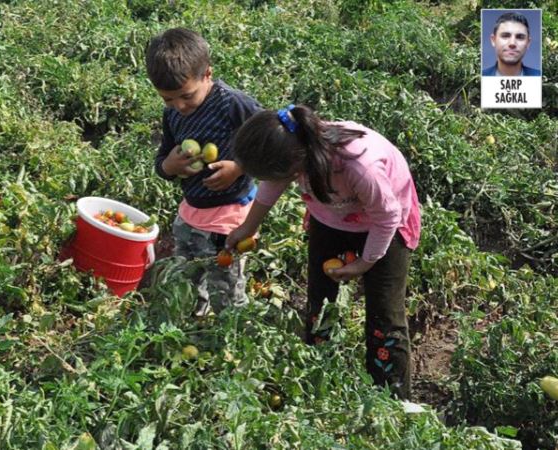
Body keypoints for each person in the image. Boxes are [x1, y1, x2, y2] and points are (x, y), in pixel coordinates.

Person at [225, 104, 421, 399]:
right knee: (319, 303)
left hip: (384, 228)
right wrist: (248, 227)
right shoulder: (293, 148)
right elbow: (271, 185)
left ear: (297, 164)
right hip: (331, 218)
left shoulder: (358, 166)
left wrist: (365, 263)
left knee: (385, 318)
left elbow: (387, 217)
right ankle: (319, 375)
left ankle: (393, 399)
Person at [145, 28, 262, 315]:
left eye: (186, 96)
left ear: (207, 74)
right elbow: (163, 160)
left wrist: (239, 167)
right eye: (167, 99)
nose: (179, 106)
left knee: (226, 286)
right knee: (188, 277)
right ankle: (197, 322)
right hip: (191, 212)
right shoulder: (172, 113)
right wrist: (169, 166)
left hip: (228, 218)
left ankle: (229, 338)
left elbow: (271, 143)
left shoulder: (233, 105)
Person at [482, 12, 541, 76]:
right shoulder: (480, 79)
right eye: (505, 36)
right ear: (493, 40)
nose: (512, 43)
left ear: (528, 43)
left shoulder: (540, 78)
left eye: (520, 37)